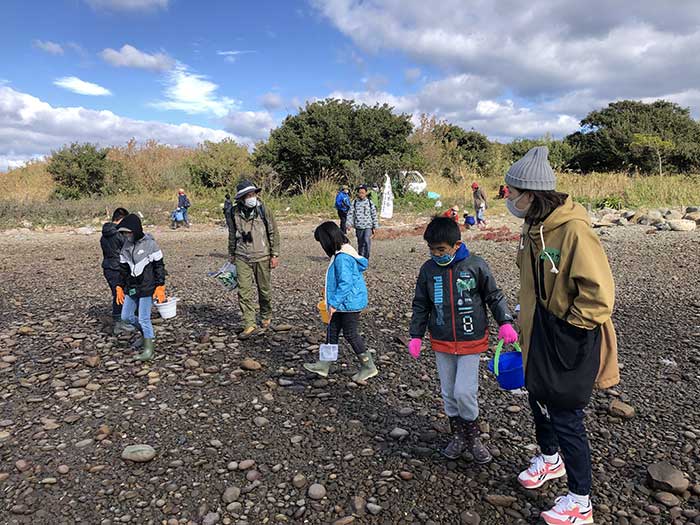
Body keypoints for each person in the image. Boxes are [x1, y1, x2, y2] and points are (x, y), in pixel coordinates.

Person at [505, 146, 619, 525]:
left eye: (512, 192)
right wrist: (524, 317)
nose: (509, 199)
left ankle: (580, 502)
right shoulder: (531, 226)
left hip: (567, 334)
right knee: (536, 396)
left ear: (531, 195)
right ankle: (550, 459)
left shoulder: (573, 231)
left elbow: (599, 295)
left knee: (566, 415)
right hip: (536, 330)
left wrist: (568, 330)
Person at [408, 217, 517, 463]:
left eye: (441, 250)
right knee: (448, 392)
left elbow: (493, 295)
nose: (436, 254)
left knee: (464, 391)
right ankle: (457, 435)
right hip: (442, 340)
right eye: (432, 249)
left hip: (471, 340)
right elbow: (421, 304)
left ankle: (473, 437)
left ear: (457, 245)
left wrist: (505, 322)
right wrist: (416, 335)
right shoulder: (428, 270)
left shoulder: (475, 265)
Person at [303, 222, 378, 382]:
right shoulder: (344, 252)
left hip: (348, 304)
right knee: (332, 330)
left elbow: (346, 283)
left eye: (322, 242)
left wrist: (334, 303)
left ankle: (368, 366)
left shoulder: (342, 258)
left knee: (351, 333)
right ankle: (324, 364)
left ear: (328, 240)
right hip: (344, 301)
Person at [226, 179, 281, 339]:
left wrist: (274, 254)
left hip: (262, 255)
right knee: (244, 291)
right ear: (242, 198)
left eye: (253, 194)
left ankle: (265, 315)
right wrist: (231, 253)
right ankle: (249, 324)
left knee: (264, 290)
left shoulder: (264, 210)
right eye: (248, 195)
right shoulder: (233, 212)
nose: (252, 197)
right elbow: (232, 234)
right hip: (242, 255)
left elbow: (273, 232)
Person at [114, 213, 166, 362]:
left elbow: (159, 266)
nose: (126, 235)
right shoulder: (126, 246)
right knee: (126, 317)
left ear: (136, 230)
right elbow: (123, 269)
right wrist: (119, 286)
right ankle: (146, 334)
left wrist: (160, 286)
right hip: (132, 287)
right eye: (124, 233)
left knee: (144, 318)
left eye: (128, 232)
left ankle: (149, 349)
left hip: (147, 287)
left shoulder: (150, 244)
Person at [100, 207, 129, 332]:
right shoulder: (118, 235)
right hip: (117, 267)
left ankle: (122, 319)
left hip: (108, 267)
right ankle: (119, 323)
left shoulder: (104, 234)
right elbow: (126, 249)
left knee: (118, 293)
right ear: (121, 219)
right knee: (120, 294)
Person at [347, 185, 379, 260]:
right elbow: (350, 213)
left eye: (363, 193)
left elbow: (374, 214)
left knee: (367, 240)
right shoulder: (354, 202)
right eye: (360, 193)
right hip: (358, 226)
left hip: (368, 226)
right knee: (360, 243)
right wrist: (348, 224)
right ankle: (361, 257)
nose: (361, 194)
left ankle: (366, 257)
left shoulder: (370, 203)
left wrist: (375, 226)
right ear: (358, 193)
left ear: (366, 193)